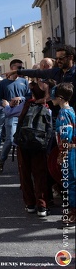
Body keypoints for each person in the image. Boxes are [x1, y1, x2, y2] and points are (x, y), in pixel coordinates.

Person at [15, 82, 52, 217]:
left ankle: (29, 204)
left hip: (23, 143)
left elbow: (17, 119)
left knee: (25, 173)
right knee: (40, 174)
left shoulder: (26, 104)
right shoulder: (47, 108)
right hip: (39, 143)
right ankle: (42, 205)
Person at [5, 45, 75, 108]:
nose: (58, 61)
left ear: (70, 57)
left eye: (61, 58)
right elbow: (36, 72)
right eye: (57, 59)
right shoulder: (56, 72)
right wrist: (17, 71)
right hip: (60, 113)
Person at [0, 59, 31, 174]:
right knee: (10, 140)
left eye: (22, 67)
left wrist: (21, 98)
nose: (21, 70)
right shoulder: (3, 83)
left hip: (24, 115)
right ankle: (2, 161)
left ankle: (24, 165)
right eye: (18, 67)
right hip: (11, 115)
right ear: (12, 68)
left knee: (25, 141)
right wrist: (5, 103)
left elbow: (29, 96)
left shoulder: (24, 81)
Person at [51, 83, 75, 229]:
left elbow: (66, 136)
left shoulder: (64, 114)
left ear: (60, 98)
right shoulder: (70, 110)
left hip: (70, 152)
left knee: (71, 182)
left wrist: (62, 154)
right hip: (71, 151)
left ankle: (73, 213)